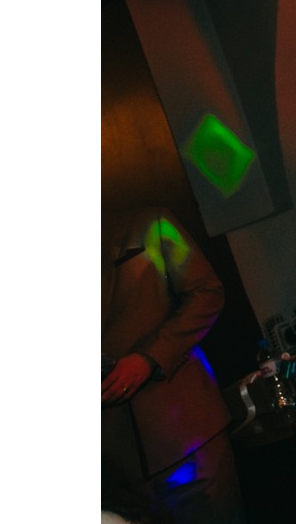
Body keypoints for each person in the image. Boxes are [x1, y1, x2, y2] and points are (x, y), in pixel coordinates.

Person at [102, 206, 243, 524]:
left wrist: (149, 358)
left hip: (187, 435)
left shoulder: (147, 222)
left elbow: (207, 292)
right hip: (115, 471)